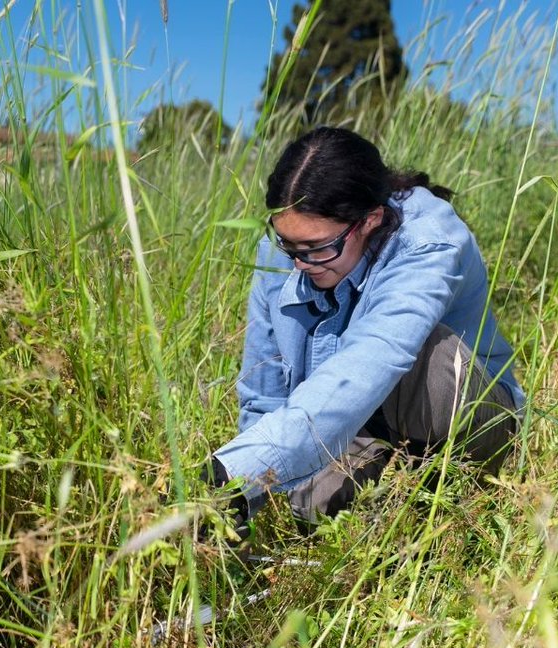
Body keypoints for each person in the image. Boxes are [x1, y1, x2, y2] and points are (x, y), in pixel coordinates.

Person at [206, 126, 525, 532]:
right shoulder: (283, 247)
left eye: (319, 248)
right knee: (306, 511)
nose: (300, 263)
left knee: (425, 350)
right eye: (290, 246)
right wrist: (243, 487)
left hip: (464, 417)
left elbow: (370, 363)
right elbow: (264, 388)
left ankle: (456, 497)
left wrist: (235, 473)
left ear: (371, 219)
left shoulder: (427, 242)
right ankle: (399, 502)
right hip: (361, 423)